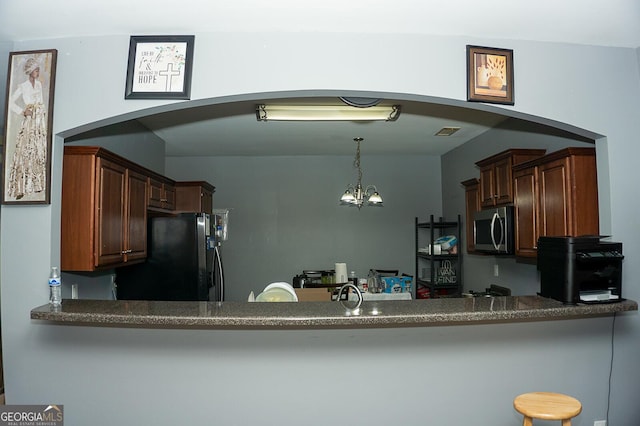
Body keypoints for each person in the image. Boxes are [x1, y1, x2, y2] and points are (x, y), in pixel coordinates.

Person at [7, 56, 48, 200]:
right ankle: (21, 186)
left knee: (38, 149)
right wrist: (23, 111)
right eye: (36, 70)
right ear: (30, 71)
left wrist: (41, 117)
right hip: (30, 119)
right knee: (25, 149)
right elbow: (10, 102)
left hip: (39, 120)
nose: (38, 72)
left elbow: (41, 101)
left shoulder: (38, 85)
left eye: (38, 70)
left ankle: (37, 184)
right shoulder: (23, 86)